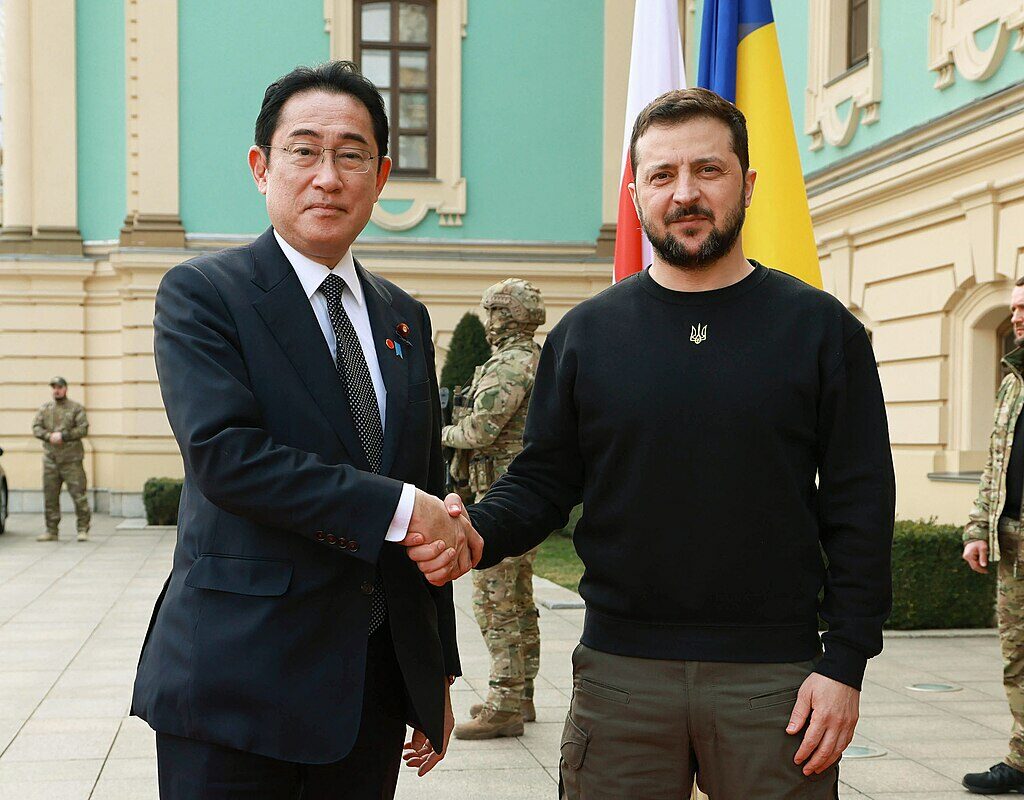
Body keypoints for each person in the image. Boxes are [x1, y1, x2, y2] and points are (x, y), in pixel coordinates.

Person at [409, 87, 895, 798]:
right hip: (620, 676)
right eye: (662, 176)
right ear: (637, 193)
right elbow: (545, 477)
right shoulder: (586, 336)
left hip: (774, 684)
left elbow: (861, 501)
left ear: (747, 184)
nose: (686, 193)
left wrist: (845, 661)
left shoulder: (822, 331)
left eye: (708, 170)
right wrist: (473, 530)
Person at [131, 61, 480, 800]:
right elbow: (227, 458)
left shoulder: (404, 318)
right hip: (236, 688)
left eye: (351, 154)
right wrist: (397, 507)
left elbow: (431, 500)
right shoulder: (203, 295)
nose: (328, 176)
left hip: (369, 690)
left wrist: (433, 670)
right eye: (304, 150)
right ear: (263, 167)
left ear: (380, 176)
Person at [442, 279, 545, 740]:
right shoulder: (534, 359)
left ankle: (504, 704)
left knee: (493, 603)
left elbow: (480, 430)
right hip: (520, 498)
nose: (488, 322)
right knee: (519, 601)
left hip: (502, 500)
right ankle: (520, 696)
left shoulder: (511, 365)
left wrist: (438, 434)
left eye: (493, 312)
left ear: (506, 316)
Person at [962, 277, 1024, 794]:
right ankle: (1021, 758)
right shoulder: (1012, 382)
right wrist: (978, 528)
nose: (1017, 317)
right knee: (1016, 655)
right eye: (1014, 308)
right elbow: (995, 464)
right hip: (1013, 543)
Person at [32, 377, 90, 542]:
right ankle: (51, 530)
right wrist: (48, 436)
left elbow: (83, 428)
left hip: (71, 460)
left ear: (65, 388)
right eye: (54, 387)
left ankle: (83, 528)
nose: (56, 390)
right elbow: (36, 427)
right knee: (50, 496)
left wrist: (64, 436)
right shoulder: (45, 409)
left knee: (78, 495)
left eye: (59, 387)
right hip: (51, 459)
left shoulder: (75, 408)